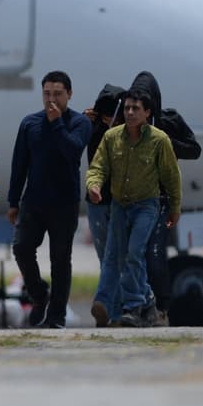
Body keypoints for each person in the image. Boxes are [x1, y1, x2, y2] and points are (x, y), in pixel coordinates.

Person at [87, 90, 182, 328]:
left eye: (136, 108)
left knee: (134, 253)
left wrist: (174, 207)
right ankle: (146, 302)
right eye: (127, 108)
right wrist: (94, 185)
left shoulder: (159, 140)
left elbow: (172, 176)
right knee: (116, 256)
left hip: (146, 206)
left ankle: (131, 306)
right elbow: (98, 167)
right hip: (120, 205)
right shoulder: (111, 137)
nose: (130, 113)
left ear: (147, 113)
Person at [7, 71, 92, 329]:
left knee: (60, 259)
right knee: (21, 248)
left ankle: (56, 317)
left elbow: (72, 150)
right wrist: (13, 201)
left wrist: (56, 123)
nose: (51, 99)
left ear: (69, 94)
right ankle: (39, 294)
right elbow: (19, 164)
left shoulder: (80, 123)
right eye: (47, 94)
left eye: (57, 94)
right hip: (33, 201)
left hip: (64, 203)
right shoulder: (30, 123)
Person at [83, 83, 125, 326]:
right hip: (98, 201)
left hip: (120, 201)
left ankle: (111, 307)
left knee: (116, 257)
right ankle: (113, 309)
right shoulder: (91, 128)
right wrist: (81, 121)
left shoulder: (128, 131)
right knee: (107, 257)